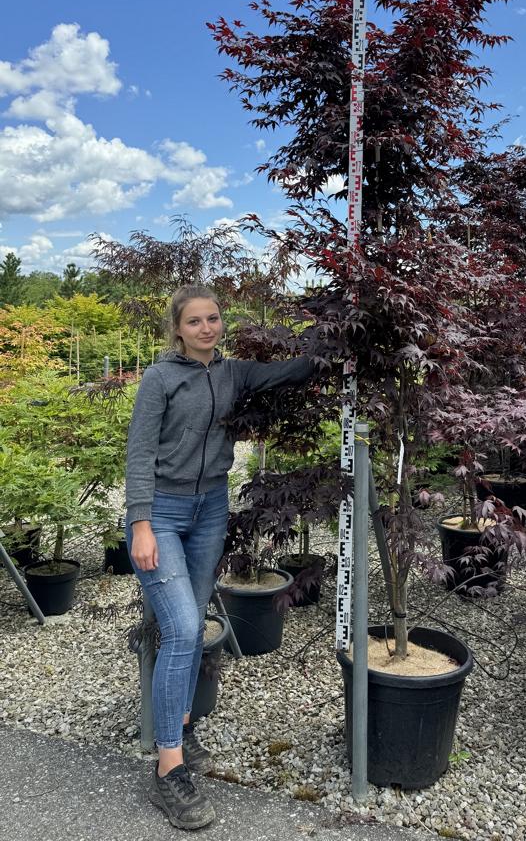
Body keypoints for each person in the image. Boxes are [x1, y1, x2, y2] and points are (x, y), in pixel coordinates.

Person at [126, 284, 313, 830]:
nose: (207, 328)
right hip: (160, 511)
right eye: (195, 321)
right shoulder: (159, 378)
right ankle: (167, 772)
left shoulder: (231, 373)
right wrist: (140, 523)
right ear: (177, 329)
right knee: (183, 629)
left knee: (193, 620)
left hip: (210, 508)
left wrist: (336, 349)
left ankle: (180, 728)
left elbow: (289, 371)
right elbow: (138, 451)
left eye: (213, 319)